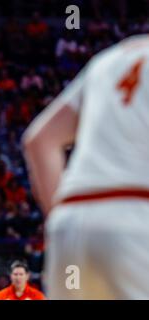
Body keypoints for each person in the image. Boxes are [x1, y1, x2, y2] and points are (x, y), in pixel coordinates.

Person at [23, 34, 149, 299]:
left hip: (70, 220)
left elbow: (40, 140)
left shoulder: (109, 59)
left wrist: (60, 218)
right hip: (136, 214)